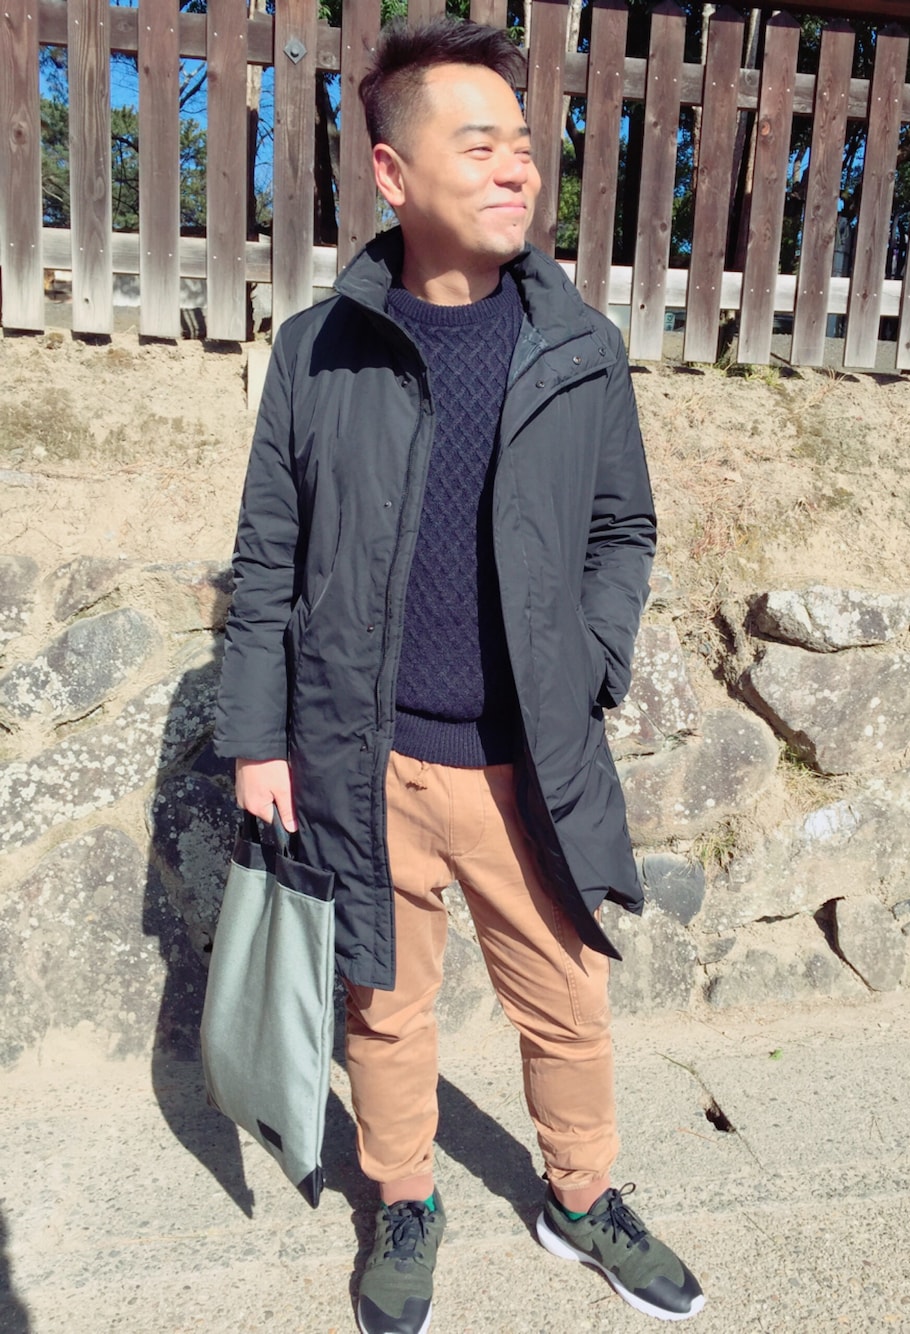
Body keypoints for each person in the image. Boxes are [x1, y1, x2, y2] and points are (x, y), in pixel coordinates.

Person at [215, 16, 704, 1333]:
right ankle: (403, 1201)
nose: (515, 169)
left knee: (570, 1002)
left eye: (524, 147)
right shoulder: (318, 349)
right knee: (384, 1008)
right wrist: (259, 742)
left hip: (525, 765)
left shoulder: (578, 348)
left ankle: (581, 1197)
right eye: (478, 144)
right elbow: (267, 560)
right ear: (392, 172)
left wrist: (591, 659)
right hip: (363, 759)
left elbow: (622, 527)